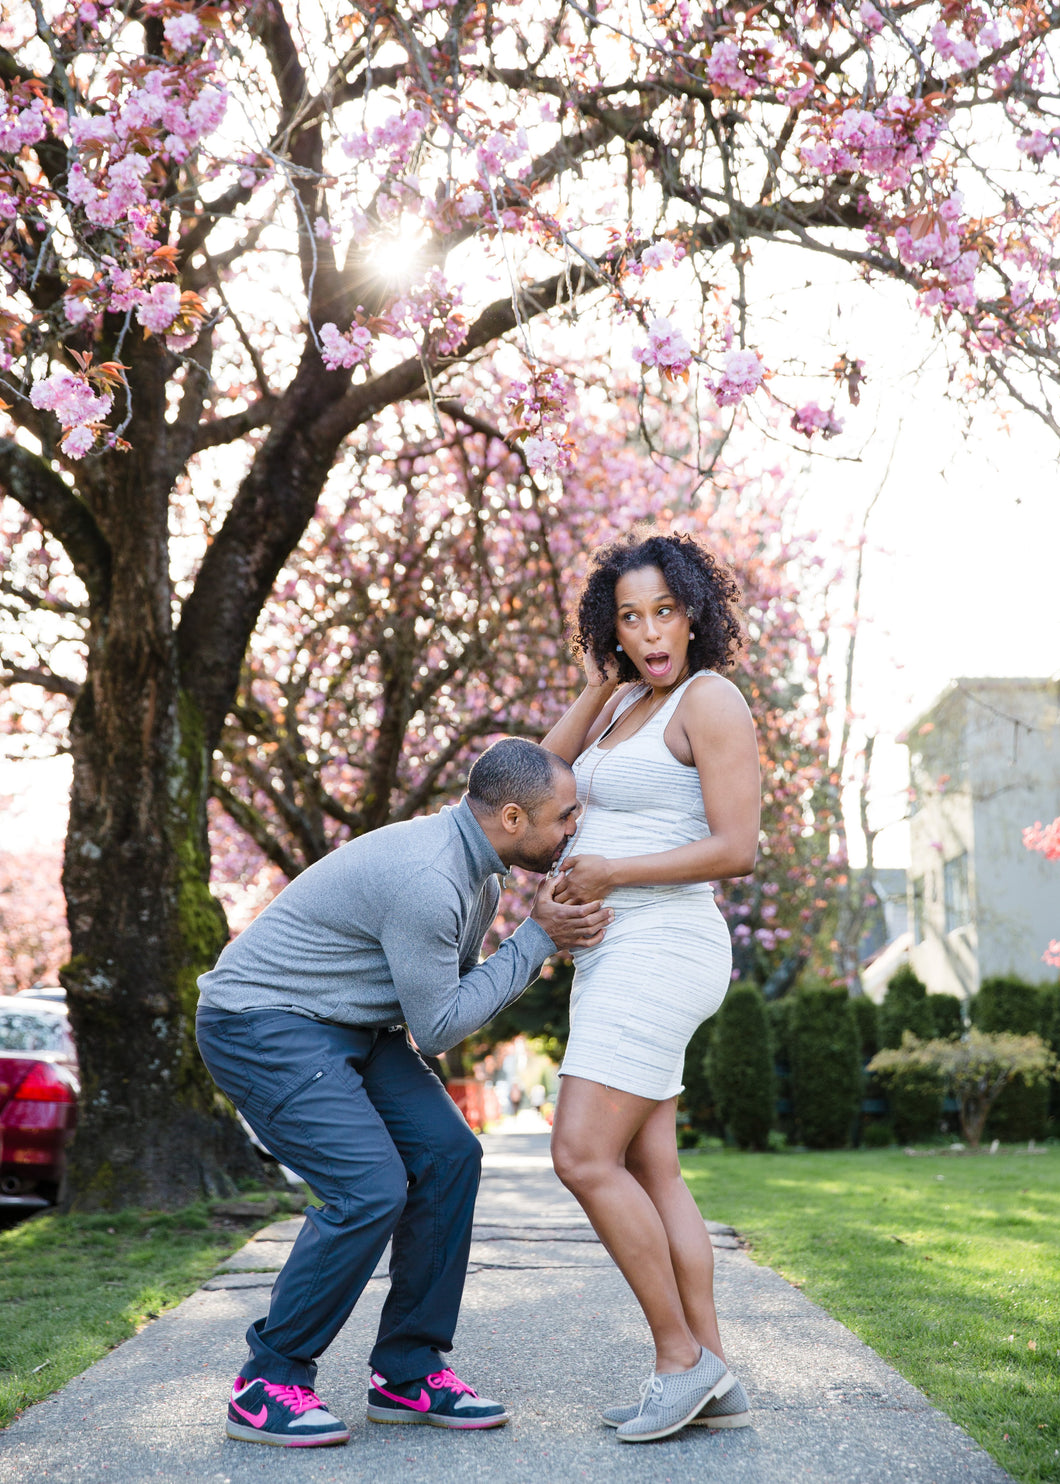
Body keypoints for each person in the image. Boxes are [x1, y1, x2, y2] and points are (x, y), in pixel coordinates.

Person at [195, 738, 612, 1448]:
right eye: (565, 817)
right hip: (262, 1023)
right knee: (370, 1188)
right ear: (512, 818)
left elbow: (436, 1000)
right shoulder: (432, 878)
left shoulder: (479, 866)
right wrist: (537, 940)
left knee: (449, 1155)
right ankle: (266, 1382)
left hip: (352, 1023)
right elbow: (439, 1027)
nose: (575, 830)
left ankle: (407, 1370)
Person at [542, 528, 761, 1444]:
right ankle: (712, 1370)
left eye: (664, 612)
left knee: (582, 1156)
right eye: (629, 619)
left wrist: (609, 877)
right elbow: (540, 775)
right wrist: (600, 679)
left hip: (663, 947)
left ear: (695, 613)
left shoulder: (711, 700)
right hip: (615, 955)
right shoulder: (627, 701)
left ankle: (679, 1359)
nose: (650, 633)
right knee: (649, 1165)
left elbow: (736, 849)